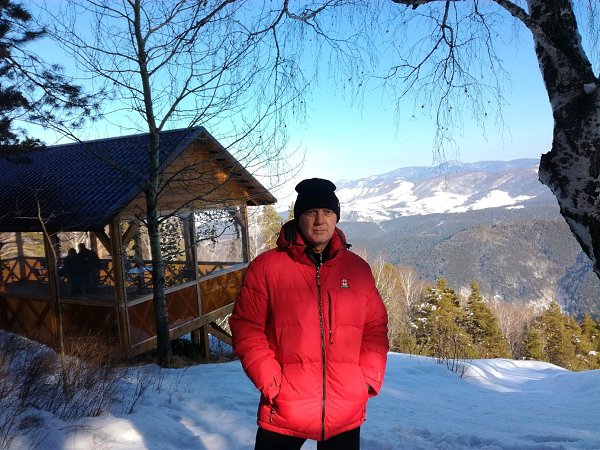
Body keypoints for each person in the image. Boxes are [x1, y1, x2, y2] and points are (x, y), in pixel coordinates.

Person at [229, 178, 389, 450]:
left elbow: (375, 326)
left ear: (336, 217)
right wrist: (273, 385)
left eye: (327, 212)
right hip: (284, 407)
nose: (320, 220)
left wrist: (365, 381)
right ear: (298, 217)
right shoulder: (267, 267)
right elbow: (246, 328)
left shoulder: (357, 270)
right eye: (311, 212)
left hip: (345, 409)